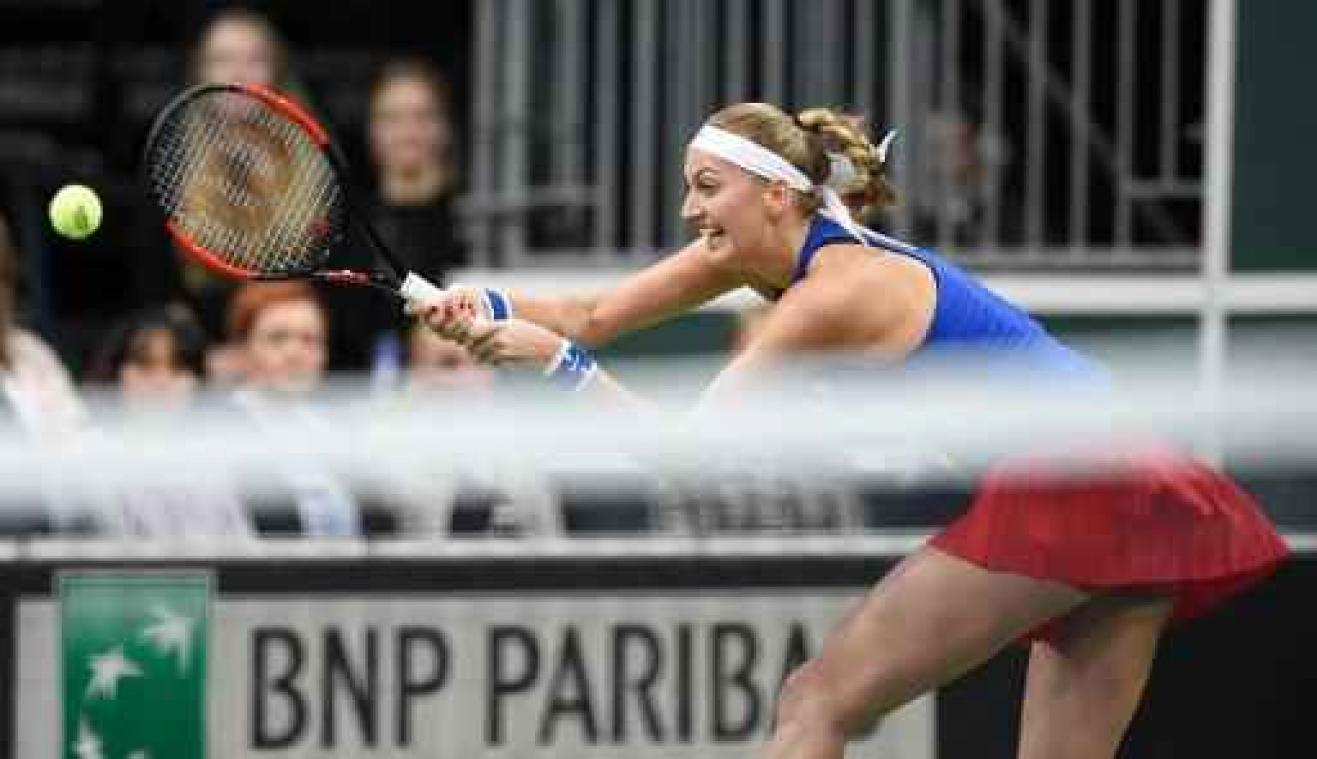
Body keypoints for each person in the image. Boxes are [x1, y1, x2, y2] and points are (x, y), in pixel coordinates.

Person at [412, 102, 1289, 758]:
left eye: (707, 187)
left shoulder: (836, 290)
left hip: (1075, 478)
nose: (688, 210)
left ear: (779, 194)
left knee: (816, 702)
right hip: (1131, 473)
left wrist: (558, 369)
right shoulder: (762, 248)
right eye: (688, 188)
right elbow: (589, 310)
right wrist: (478, 304)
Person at [222, 281, 368, 537]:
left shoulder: (337, 431)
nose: (294, 352)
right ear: (242, 350)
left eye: (309, 340)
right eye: (277, 338)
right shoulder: (216, 429)